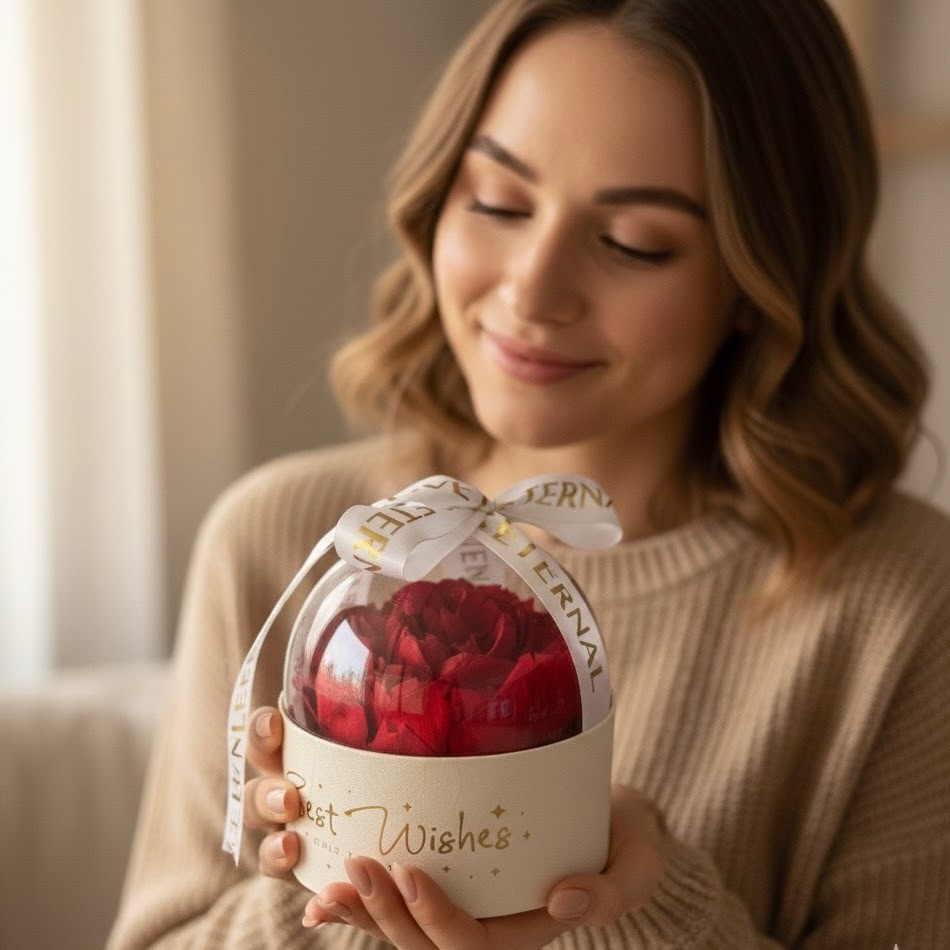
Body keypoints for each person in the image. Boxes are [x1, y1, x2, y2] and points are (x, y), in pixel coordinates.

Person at [108, 0, 950, 947]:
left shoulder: (899, 607)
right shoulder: (293, 545)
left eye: (635, 241)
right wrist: (340, 870)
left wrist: (651, 912)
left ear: (763, 278)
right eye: (498, 204)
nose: (532, 290)